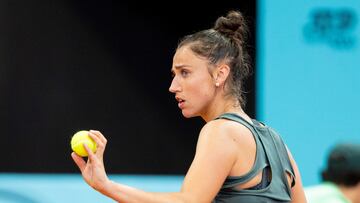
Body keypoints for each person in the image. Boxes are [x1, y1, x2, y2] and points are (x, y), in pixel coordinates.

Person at [71, 10, 307, 203]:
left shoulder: (221, 131)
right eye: (174, 74)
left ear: (220, 74)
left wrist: (106, 186)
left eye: (185, 73)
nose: (173, 86)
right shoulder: (276, 141)